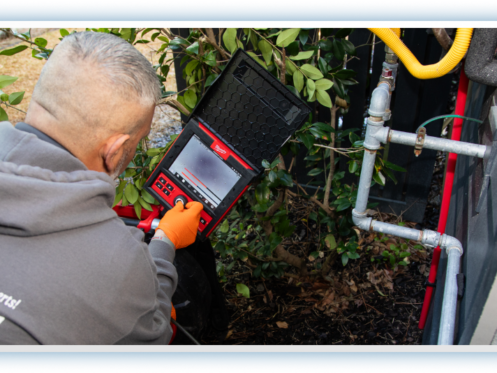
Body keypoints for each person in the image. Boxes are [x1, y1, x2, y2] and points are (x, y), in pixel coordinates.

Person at [0, 31, 206, 344]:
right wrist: (165, 241)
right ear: (114, 150)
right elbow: (153, 335)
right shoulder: (116, 263)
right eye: (138, 142)